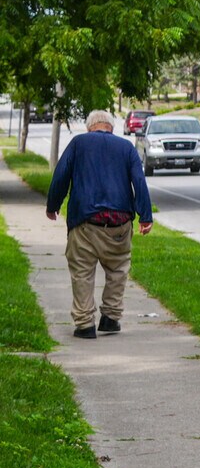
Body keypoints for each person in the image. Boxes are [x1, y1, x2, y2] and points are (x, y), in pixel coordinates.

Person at [45, 109, 153, 339]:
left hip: (85, 221)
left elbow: (61, 175)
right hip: (120, 223)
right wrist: (145, 216)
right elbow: (139, 181)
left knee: (82, 271)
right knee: (118, 269)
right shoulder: (126, 147)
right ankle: (111, 318)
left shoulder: (79, 143)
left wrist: (53, 205)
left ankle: (85, 324)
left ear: (89, 127)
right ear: (111, 128)